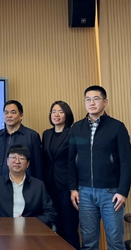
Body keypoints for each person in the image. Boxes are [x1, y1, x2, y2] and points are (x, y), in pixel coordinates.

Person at [68, 85, 131, 250]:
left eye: (96, 99)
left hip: (111, 193)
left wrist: (123, 191)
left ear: (105, 102)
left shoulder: (117, 127)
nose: (91, 103)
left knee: (115, 242)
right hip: (84, 192)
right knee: (88, 243)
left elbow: (126, 162)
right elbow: (71, 160)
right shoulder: (77, 128)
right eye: (88, 99)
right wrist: (73, 188)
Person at [0, 145, 57, 228]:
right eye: (13, 157)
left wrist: (30, 222)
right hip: (2, 230)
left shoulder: (38, 185)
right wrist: (4, 222)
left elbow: (50, 212)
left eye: (21, 158)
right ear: (7, 161)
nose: (17, 161)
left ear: (27, 163)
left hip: (30, 230)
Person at [42, 101, 80, 250]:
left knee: (69, 228)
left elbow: (74, 162)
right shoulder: (46, 134)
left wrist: (73, 188)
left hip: (67, 187)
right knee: (54, 228)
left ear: (67, 115)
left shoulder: (73, 133)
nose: (56, 115)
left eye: (60, 112)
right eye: (53, 111)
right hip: (49, 187)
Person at [0, 100, 42, 185]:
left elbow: (38, 167)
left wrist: (38, 188)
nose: (9, 116)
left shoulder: (32, 136)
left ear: (21, 116)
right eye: (6, 112)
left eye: (13, 112)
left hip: (24, 186)